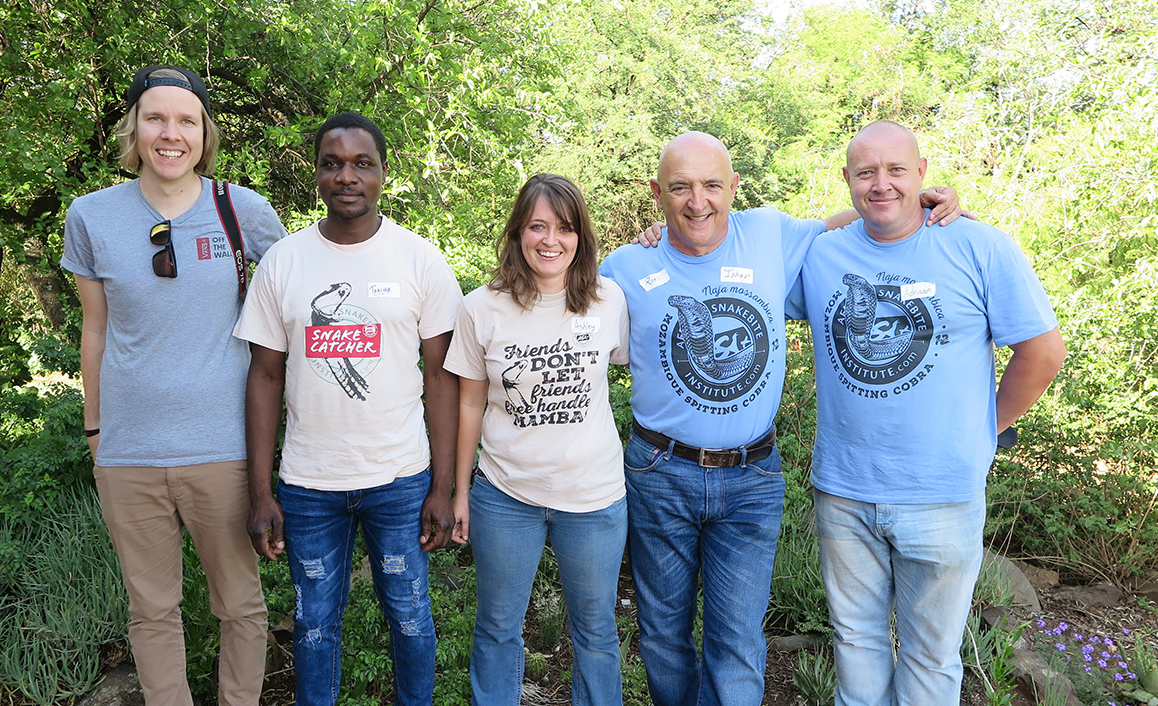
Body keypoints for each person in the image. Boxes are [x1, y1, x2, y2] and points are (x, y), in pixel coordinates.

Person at [601, 131, 963, 705]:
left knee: (738, 637)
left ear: (733, 187)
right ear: (656, 192)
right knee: (663, 633)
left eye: (711, 185)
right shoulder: (624, 267)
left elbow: (852, 222)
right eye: (680, 188)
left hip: (752, 477)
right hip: (659, 472)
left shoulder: (769, 233)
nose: (698, 201)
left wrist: (918, 201)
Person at [785, 120, 1065, 704]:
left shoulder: (978, 246)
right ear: (846, 179)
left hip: (942, 494)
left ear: (923, 173)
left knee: (931, 657)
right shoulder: (822, 254)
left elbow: (1042, 352)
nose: (881, 183)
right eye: (866, 173)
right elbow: (737, 267)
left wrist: (986, 429)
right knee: (854, 641)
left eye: (896, 170)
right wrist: (665, 235)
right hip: (845, 492)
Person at [61, 65, 286, 705]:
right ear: (133, 128)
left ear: (204, 134)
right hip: (128, 451)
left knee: (241, 606)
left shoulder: (242, 211)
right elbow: (96, 331)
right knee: (151, 610)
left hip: (224, 449)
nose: (170, 133)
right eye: (155, 118)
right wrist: (96, 430)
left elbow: (292, 309)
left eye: (186, 120)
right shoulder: (91, 216)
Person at [235, 111, 462, 706]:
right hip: (309, 486)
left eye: (362, 163)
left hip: (400, 480)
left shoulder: (419, 260)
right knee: (313, 625)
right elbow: (263, 376)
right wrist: (260, 493)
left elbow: (441, 379)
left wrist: (443, 487)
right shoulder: (283, 262)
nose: (347, 176)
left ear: (383, 172)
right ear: (316, 174)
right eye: (332, 163)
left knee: (410, 618)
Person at [445, 174, 631, 705]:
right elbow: (469, 403)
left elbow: (630, 365)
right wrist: (461, 492)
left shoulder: (608, 300)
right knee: (498, 626)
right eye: (538, 226)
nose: (551, 240)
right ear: (517, 232)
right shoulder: (480, 307)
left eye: (565, 228)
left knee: (596, 630)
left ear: (581, 237)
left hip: (593, 497)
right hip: (506, 496)